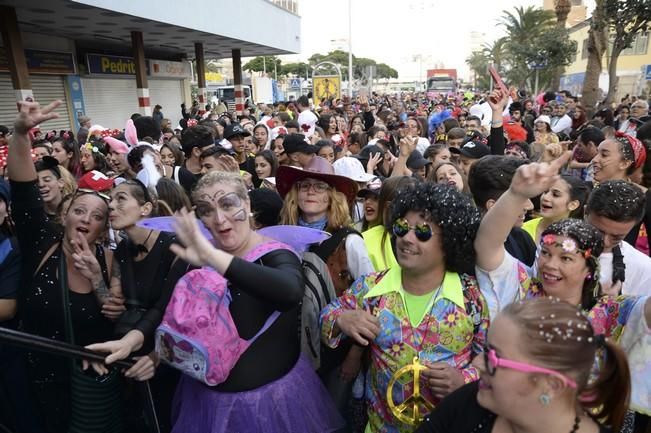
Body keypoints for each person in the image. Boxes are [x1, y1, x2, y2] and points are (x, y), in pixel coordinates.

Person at [8, 100, 150, 433]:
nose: (86, 218)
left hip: (91, 385)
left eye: (98, 216)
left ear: (104, 230)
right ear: (65, 215)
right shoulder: (43, 243)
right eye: (80, 211)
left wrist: (96, 277)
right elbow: (24, 189)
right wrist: (19, 133)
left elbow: (114, 314)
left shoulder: (113, 260)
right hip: (38, 379)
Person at [165, 171, 344, 433]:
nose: (219, 218)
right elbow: (165, 309)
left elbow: (290, 291)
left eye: (228, 204)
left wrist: (215, 258)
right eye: (206, 209)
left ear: (247, 205)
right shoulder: (193, 255)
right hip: (205, 406)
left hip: (274, 407)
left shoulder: (275, 253)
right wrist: (135, 339)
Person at [321, 182, 489, 433]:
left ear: (449, 241)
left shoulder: (470, 296)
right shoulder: (370, 287)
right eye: (401, 228)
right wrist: (343, 319)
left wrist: (464, 380)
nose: (406, 239)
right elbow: (326, 315)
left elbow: (489, 358)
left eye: (422, 232)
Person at [416, 298, 631, 433]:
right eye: (486, 351)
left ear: (552, 384)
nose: (479, 363)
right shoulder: (469, 402)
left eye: (495, 358)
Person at [467, 155, 537, 267]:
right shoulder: (464, 250)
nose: (530, 206)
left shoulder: (522, 238)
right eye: (521, 199)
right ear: (493, 206)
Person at [361, 176, 417, 272]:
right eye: (365, 198)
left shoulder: (430, 238)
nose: (368, 202)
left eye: (375, 198)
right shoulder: (363, 241)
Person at [521, 175, 591, 244]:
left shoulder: (580, 239)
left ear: (573, 205)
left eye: (555, 195)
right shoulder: (523, 229)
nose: (545, 197)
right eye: (545, 192)